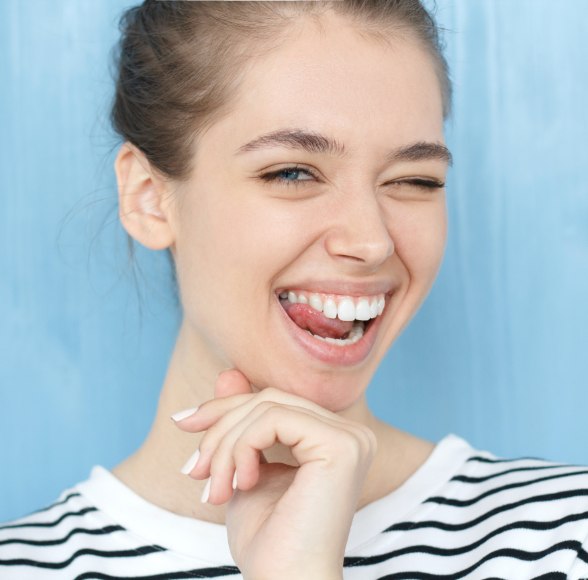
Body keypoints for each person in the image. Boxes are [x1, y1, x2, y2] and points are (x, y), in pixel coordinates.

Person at [1, 1, 587, 578]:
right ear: (149, 197)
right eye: (292, 173)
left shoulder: (567, 539)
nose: (372, 241)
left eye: (413, 179)